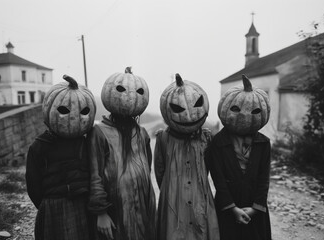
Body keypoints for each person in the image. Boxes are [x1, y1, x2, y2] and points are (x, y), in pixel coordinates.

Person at [88, 67, 156, 240]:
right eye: (122, 91)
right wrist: (101, 212)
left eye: (138, 93)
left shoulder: (141, 133)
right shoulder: (99, 132)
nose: (130, 98)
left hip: (143, 206)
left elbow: (147, 167)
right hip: (115, 209)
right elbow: (94, 175)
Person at [26, 75, 97, 240]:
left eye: (83, 112)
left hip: (82, 205)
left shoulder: (87, 143)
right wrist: (47, 206)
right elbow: (33, 183)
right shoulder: (40, 146)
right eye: (64, 111)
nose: (73, 118)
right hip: (53, 207)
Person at [206, 75, 272, 240]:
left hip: (254, 206)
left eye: (254, 111)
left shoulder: (263, 143)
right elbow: (218, 180)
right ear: (226, 108)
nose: (244, 115)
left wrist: (256, 208)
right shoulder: (217, 143)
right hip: (227, 207)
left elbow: (264, 178)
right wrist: (232, 208)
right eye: (236, 109)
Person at [155, 73, 220, 240]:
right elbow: (160, 172)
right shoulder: (163, 138)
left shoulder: (206, 137)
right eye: (178, 109)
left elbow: (209, 168)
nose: (189, 115)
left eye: (195, 106)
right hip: (173, 205)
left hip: (200, 199)